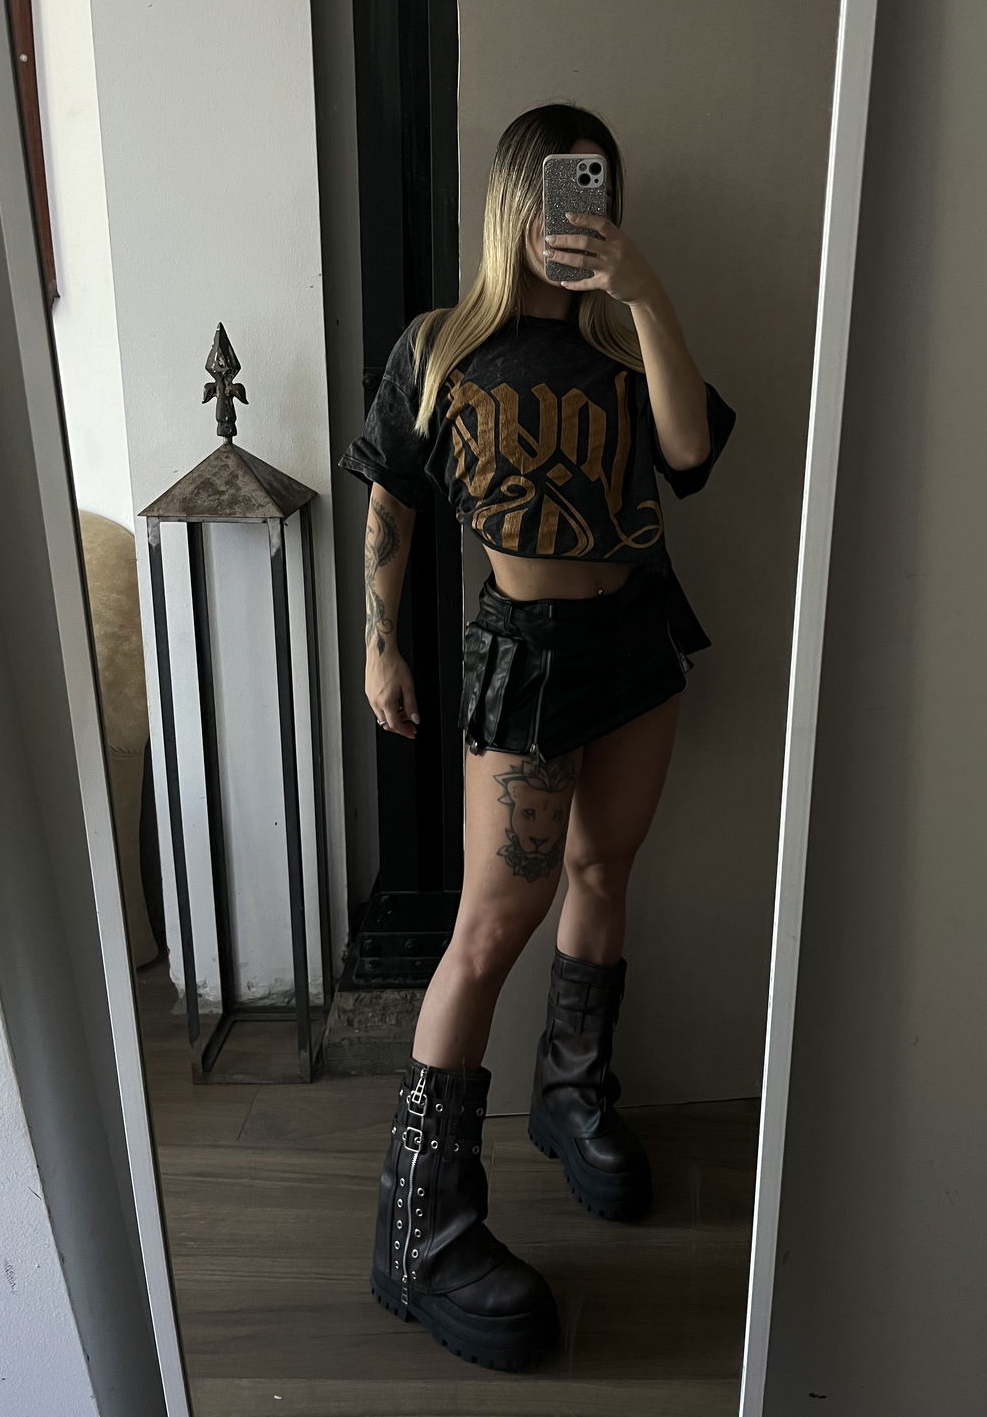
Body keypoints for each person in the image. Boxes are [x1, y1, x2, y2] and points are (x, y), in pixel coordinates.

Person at [337, 102, 737, 1372]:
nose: (584, 209)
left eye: (602, 188)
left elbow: (689, 454)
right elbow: (392, 494)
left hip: (637, 645)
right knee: (489, 926)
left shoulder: (625, 344)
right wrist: (379, 642)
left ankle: (570, 1097)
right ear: (521, 197)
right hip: (523, 658)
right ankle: (419, 1232)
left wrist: (644, 289)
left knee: (605, 873)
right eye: (568, 187)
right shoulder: (442, 346)